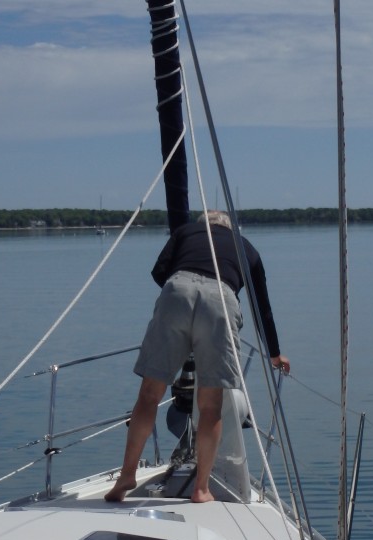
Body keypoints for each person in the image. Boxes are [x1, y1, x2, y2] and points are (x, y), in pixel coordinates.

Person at [105, 211, 290, 504]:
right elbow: (261, 306)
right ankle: (201, 489)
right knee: (210, 404)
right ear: (229, 228)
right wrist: (274, 353)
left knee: (149, 395)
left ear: (204, 225)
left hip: (177, 290)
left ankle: (127, 475)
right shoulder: (247, 247)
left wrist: (183, 305)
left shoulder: (187, 232)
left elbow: (158, 271)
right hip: (221, 297)